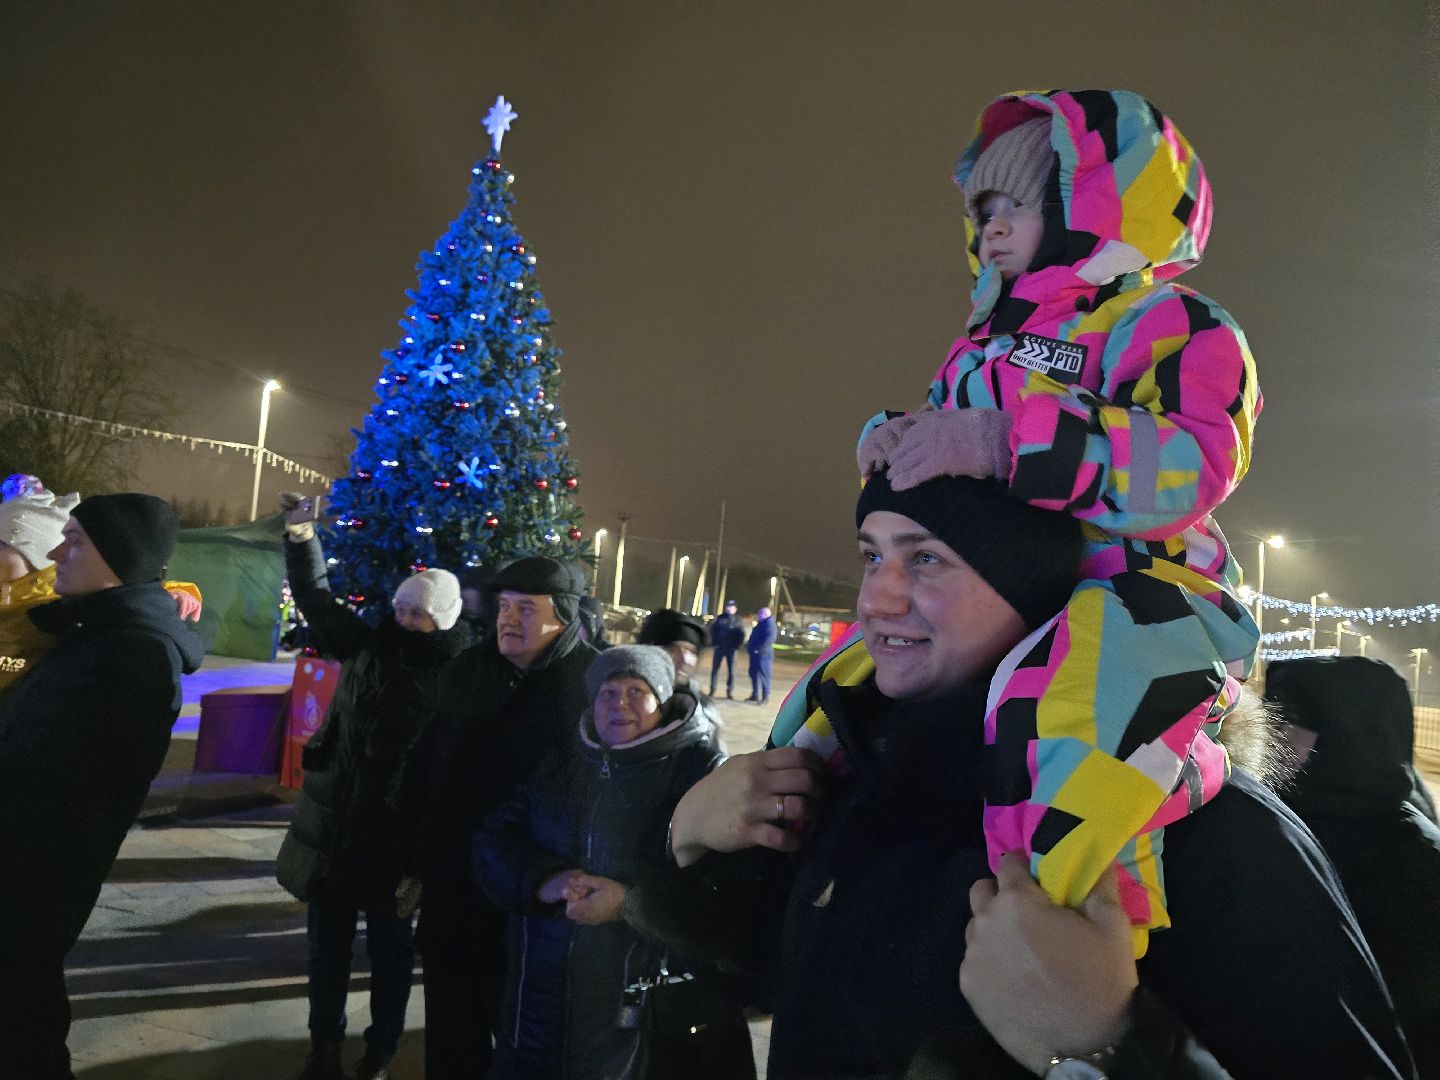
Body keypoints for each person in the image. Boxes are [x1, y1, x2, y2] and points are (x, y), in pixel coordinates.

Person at [645, 472, 1413, 1079]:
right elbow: (781, 990)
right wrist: (690, 839)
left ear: (1030, 582)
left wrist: (1111, 1050)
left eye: (927, 558)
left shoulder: (1200, 826)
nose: (875, 599)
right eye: (872, 553)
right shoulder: (859, 774)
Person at [777, 89, 1264, 953]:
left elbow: (1196, 459)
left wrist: (1011, 443)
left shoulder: (1171, 325)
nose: (994, 225)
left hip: (1138, 588)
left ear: (1095, 208)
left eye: (1021, 204)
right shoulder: (981, 345)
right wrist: (890, 438)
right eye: (983, 209)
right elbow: (939, 430)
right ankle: (768, 873)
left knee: (1066, 706)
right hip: (996, 591)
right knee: (829, 696)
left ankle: (1072, 932)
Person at [474, 645, 754, 1079]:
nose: (618, 703)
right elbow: (493, 840)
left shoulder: (698, 773)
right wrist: (544, 879)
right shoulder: (563, 762)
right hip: (534, 1005)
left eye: (635, 691)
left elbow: (727, 901)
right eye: (607, 692)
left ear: (660, 700)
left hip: (638, 1019)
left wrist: (629, 904)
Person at [0, 493, 204, 1079]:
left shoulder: (130, 655)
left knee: (22, 1029)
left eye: (77, 540)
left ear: (120, 554)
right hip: (26, 887)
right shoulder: (96, 635)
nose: (58, 551)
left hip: (29, 887)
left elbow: (59, 793)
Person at [274, 497, 473, 1080]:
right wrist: (301, 536)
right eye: (403, 609)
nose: (407, 620)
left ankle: (380, 1051)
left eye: (421, 614)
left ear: (447, 618)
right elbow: (315, 599)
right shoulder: (367, 648)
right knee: (326, 952)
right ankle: (323, 1047)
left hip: (398, 848)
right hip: (337, 830)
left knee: (390, 959)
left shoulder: (459, 678)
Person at [401, 555, 597, 1079]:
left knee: (525, 1042)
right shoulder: (469, 671)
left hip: (533, 901)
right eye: (505, 606)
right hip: (453, 888)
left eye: (527, 609)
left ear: (564, 616)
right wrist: (412, 851)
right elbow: (427, 766)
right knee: (451, 1034)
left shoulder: (590, 686)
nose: (509, 619)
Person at [1264, 655, 1440, 1076]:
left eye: (1292, 717)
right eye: (1271, 714)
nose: (1274, 735)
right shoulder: (1266, 818)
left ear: (1355, 731)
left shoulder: (1416, 861)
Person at [0, 491, 201, 697]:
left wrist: (175, 594)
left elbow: (127, 589)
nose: (57, 553)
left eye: (2, 544)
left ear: (34, 553)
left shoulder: (61, 606)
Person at [639, 606, 727, 745]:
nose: (685, 659)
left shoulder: (703, 715)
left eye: (691, 651)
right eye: (673, 649)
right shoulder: (621, 698)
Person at [708, 599, 745, 699]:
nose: (729, 608)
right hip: (720, 648)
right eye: (728, 606)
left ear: (735, 609)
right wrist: (715, 643)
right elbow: (713, 632)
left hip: (732, 650)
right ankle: (712, 689)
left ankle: (729, 692)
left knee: (731, 672)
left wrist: (737, 646)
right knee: (715, 670)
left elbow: (741, 635)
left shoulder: (738, 620)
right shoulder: (720, 618)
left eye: (732, 607)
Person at [745, 605, 776, 705]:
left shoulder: (769, 624)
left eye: (761, 613)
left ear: (766, 614)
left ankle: (765, 697)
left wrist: (757, 649)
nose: (759, 615)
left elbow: (769, 639)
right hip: (755, 654)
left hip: (763, 655)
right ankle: (755, 695)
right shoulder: (761, 623)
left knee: (764, 676)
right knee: (754, 674)